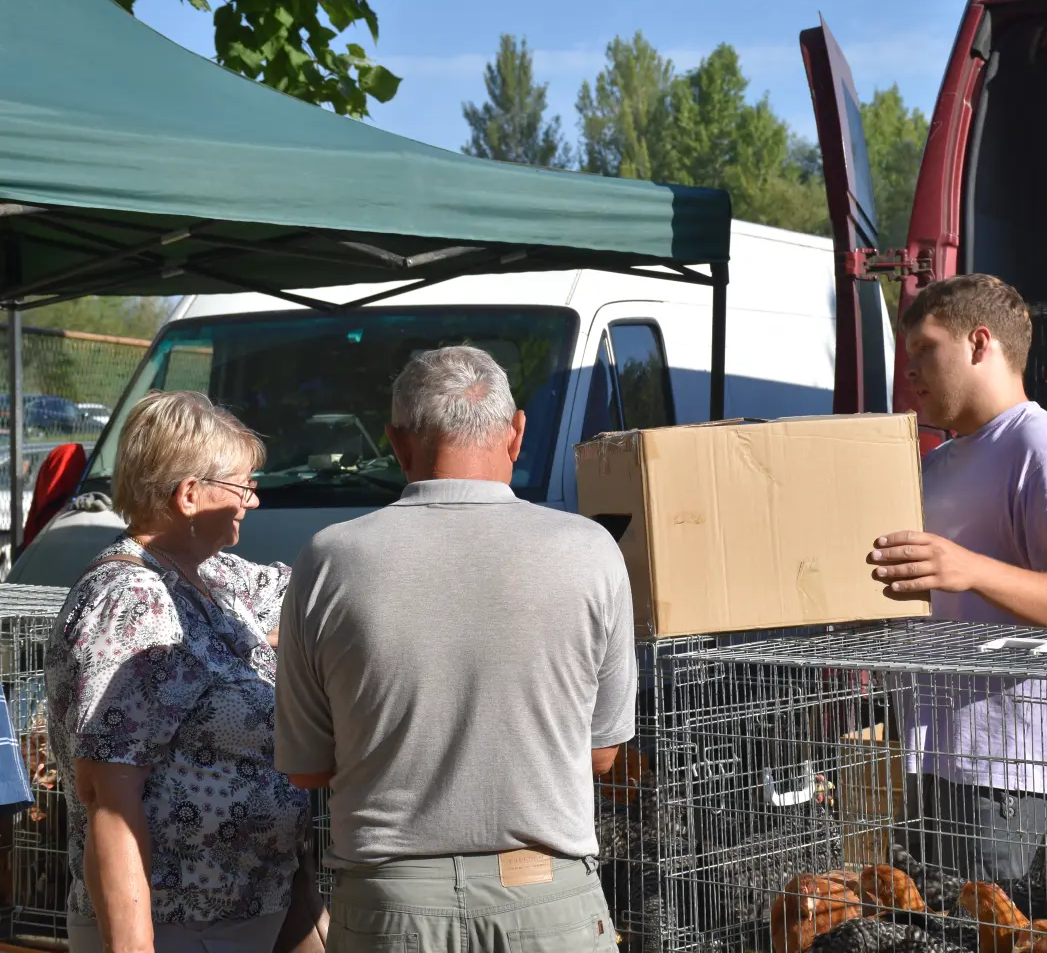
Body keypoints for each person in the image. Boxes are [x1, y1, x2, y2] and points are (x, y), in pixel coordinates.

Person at [274, 345, 637, 953]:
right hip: (545, 897)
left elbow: (308, 768)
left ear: (396, 441)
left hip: (389, 903)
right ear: (517, 433)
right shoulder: (591, 548)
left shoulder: (331, 558)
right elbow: (602, 755)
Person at [44, 390, 320, 953]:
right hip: (174, 927)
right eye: (245, 487)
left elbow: (313, 596)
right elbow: (108, 798)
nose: (254, 502)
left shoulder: (214, 578)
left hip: (249, 910)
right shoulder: (131, 600)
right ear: (190, 495)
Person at [868, 274, 1047, 880]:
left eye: (925, 349)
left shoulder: (1044, 448)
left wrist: (967, 569)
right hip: (941, 764)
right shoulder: (938, 461)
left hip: (1019, 781)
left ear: (981, 344)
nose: (910, 371)